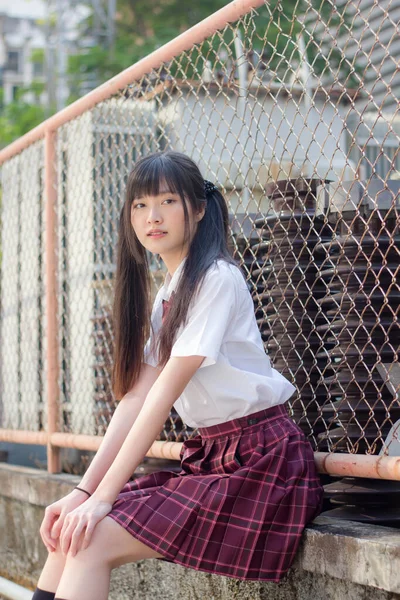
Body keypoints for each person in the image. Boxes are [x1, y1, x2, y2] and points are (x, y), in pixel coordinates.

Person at [32, 150, 324, 600]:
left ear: (199, 208)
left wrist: (103, 499)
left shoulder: (216, 279)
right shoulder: (169, 294)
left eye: (168, 201)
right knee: (69, 532)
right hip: (215, 456)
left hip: (262, 462)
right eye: (140, 205)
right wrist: (82, 492)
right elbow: (135, 399)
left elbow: (163, 394)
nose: (153, 216)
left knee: (88, 540)